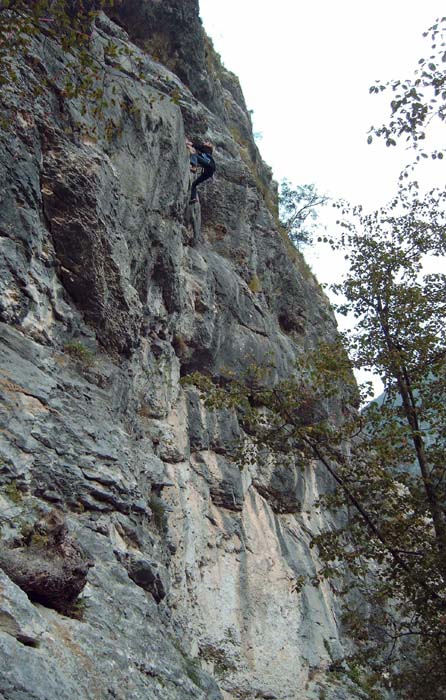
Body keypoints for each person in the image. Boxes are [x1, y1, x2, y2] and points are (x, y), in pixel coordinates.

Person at [186, 139, 215, 204]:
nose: (204, 142)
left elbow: (197, 146)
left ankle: (194, 167)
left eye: (207, 142)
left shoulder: (207, 149)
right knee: (194, 184)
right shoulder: (207, 153)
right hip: (209, 172)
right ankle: (193, 198)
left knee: (194, 155)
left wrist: (188, 143)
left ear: (209, 145)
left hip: (208, 166)